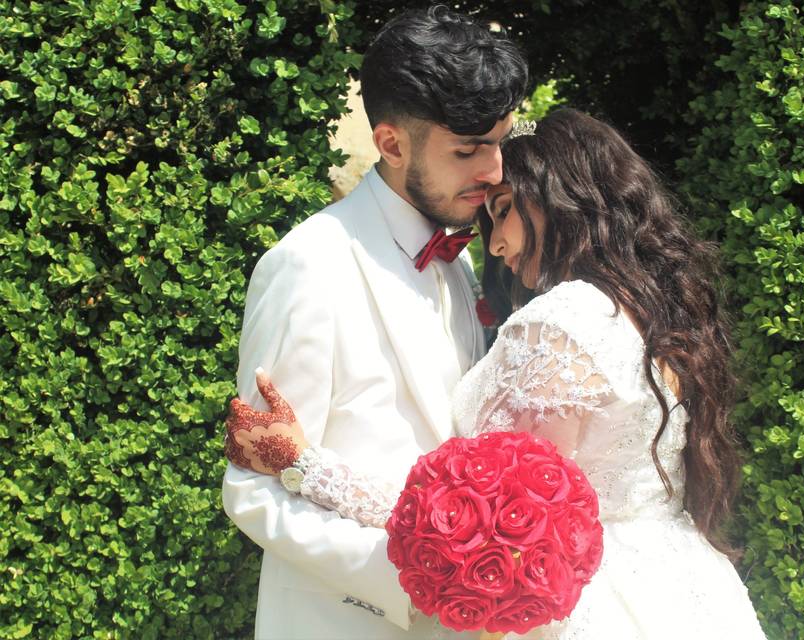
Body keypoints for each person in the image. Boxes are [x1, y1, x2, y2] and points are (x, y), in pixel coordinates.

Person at [227, 108, 767, 638]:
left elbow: (482, 524)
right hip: (675, 587)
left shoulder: (561, 323)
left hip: (578, 604)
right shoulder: (648, 310)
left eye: (504, 209)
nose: (496, 244)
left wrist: (303, 464)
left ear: (564, 197)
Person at [220, 5, 527, 639]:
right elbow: (253, 487)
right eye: (469, 150)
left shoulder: (456, 262)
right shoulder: (308, 265)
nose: (494, 172)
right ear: (390, 143)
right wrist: (417, 580)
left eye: (499, 144)